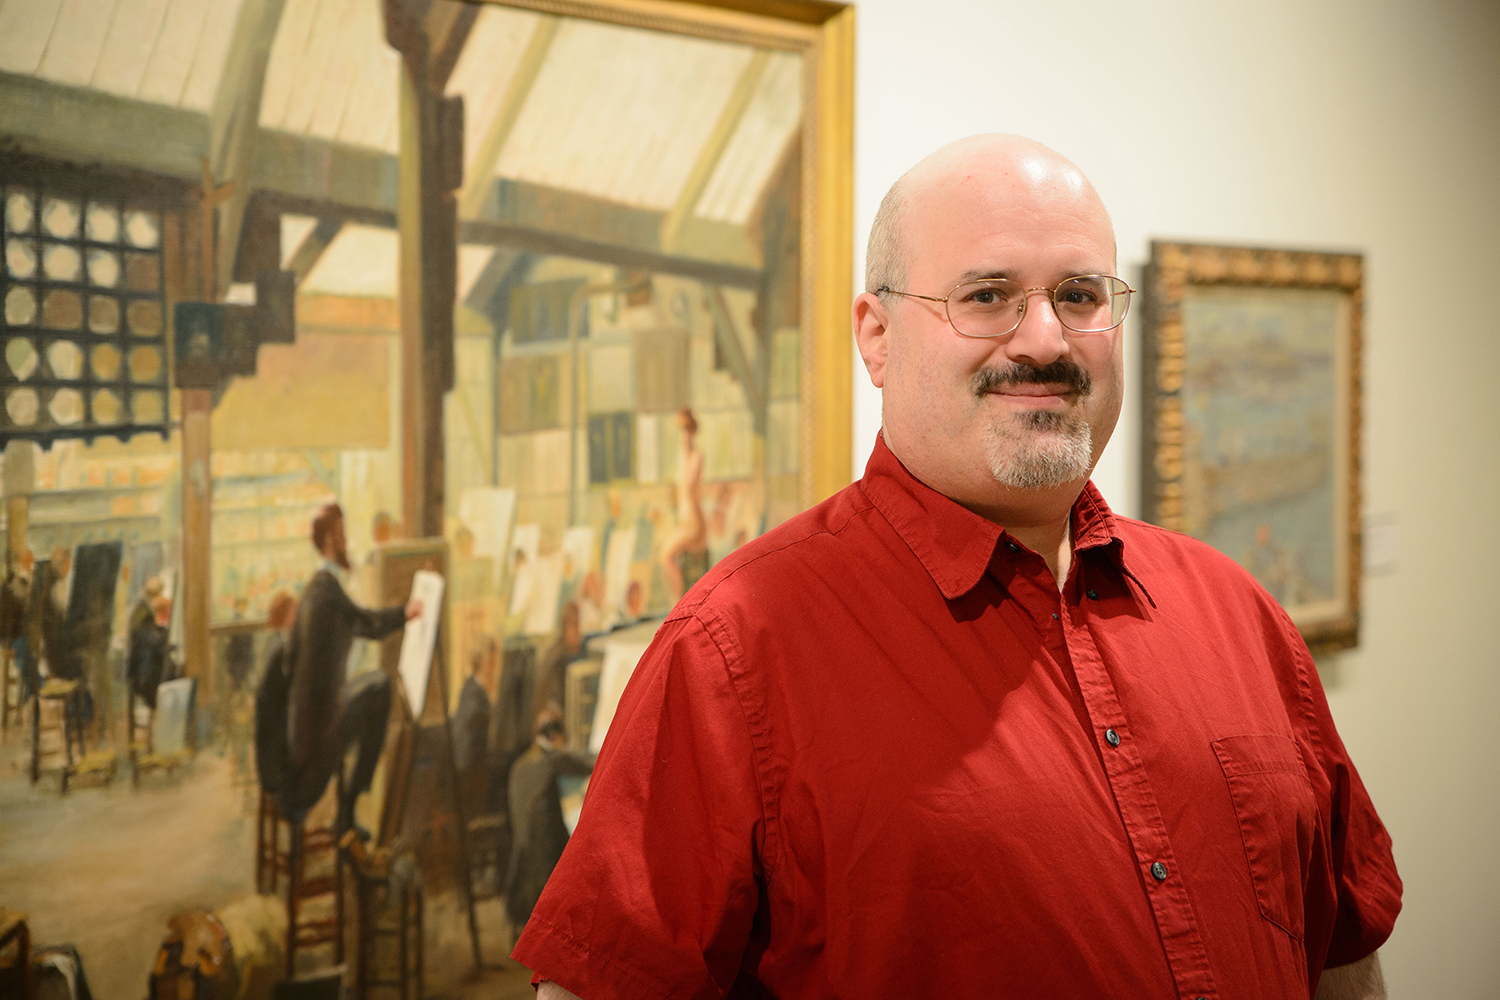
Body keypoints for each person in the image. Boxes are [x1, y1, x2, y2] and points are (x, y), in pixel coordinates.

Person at [512, 136, 1401, 1000]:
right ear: (878, 335)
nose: (1045, 340)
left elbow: (1341, 953)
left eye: (1082, 294)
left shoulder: (1236, 613)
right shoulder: (732, 655)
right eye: (987, 296)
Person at [284, 504, 419, 836]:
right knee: (382, 687)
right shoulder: (327, 591)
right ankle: (348, 806)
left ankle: (348, 805)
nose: (347, 541)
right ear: (331, 539)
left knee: (372, 685)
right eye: (342, 533)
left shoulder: (314, 590)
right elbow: (367, 623)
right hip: (319, 738)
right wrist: (406, 612)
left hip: (304, 730)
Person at [503, 710, 595, 933]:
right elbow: (590, 762)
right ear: (556, 736)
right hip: (546, 870)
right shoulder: (552, 758)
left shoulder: (519, 765)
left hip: (520, 874)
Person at [658, 408, 709, 604]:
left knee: (666, 554)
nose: (684, 435)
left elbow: (689, 487)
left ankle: (678, 602)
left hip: (695, 525)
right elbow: (678, 493)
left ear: (693, 432)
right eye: (681, 430)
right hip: (684, 523)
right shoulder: (681, 457)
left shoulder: (696, 456)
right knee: (666, 556)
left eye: (688, 430)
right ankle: (678, 600)